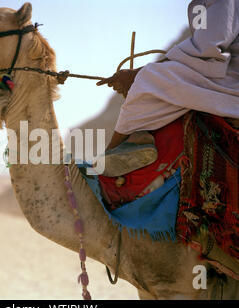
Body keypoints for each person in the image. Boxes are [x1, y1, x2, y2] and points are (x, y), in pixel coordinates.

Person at [96, 0, 239, 177]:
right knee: (151, 77)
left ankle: (111, 154)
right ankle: (137, 140)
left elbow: (207, 47)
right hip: (216, 69)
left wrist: (139, 74)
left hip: (229, 76)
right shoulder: (200, 4)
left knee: (148, 79)